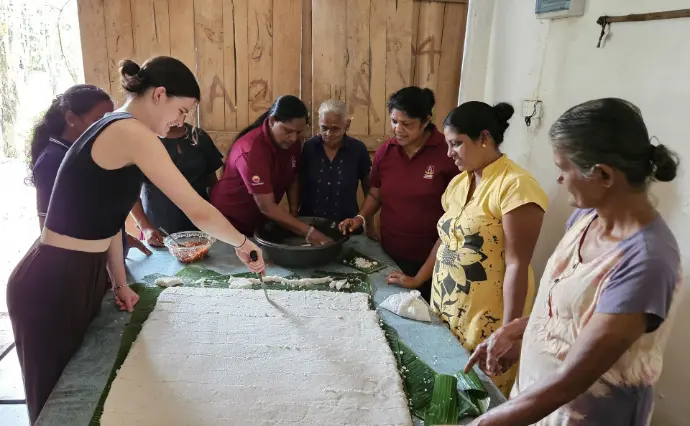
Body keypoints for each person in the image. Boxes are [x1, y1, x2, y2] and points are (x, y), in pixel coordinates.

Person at [7, 56, 265, 423]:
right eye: (181, 110)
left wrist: (119, 282)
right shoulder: (130, 132)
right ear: (159, 95)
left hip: (78, 274)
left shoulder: (120, 128)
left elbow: (111, 219)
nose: (180, 121)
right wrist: (242, 243)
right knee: (57, 402)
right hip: (52, 280)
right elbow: (197, 210)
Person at [465, 98, 682, 426]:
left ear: (604, 175)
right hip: (537, 398)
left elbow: (571, 379)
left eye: (563, 168)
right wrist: (518, 331)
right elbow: (572, 313)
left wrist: (482, 424)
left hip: (582, 414)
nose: (559, 179)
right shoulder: (587, 217)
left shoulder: (646, 263)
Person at [389, 101, 548, 395]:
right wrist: (417, 279)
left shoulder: (516, 186)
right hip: (447, 305)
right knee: (445, 386)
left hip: (488, 315)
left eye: (457, 144)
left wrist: (508, 332)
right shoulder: (459, 184)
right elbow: (446, 238)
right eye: (448, 145)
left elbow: (517, 264)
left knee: (480, 393)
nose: (449, 153)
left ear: (484, 138)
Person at [339, 87, 458, 300]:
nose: (398, 129)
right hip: (390, 252)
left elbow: (456, 212)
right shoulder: (385, 152)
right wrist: (360, 217)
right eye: (394, 121)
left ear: (426, 121)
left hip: (434, 256)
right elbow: (376, 193)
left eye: (406, 124)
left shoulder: (447, 153)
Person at [27, 84, 150, 255]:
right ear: (71, 119)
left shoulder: (88, 152)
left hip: (103, 255)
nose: (106, 127)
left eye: (109, 120)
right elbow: (49, 228)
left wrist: (122, 238)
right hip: (77, 260)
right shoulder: (52, 160)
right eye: (98, 120)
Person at [211, 95, 331, 244]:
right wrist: (309, 232)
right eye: (288, 131)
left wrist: (294, 212)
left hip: (257, 221)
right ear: (272, 120)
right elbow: (267, 207)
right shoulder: (251, 151)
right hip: (228, 222)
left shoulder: (291, 142)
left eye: (299, 133)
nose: (293, 138)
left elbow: (293, 175)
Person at [130, 122, 224, 242]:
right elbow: (128, 192)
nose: (180, 117)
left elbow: (212, 182)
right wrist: (146, 227)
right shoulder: (144, 140)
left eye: (184, 112)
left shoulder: (199, 137)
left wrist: (218, 218)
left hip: (200, 223)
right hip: (159, 227)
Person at [299, 100, 372, 225]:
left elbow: (369, 189)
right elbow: (298, 182)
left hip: (346, 225)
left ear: (347, 125)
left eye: (335, 129)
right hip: (310, 224)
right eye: (324, 128)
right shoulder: (309, 147)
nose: (328, 134)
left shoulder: (357, 149)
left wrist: (368, 223)